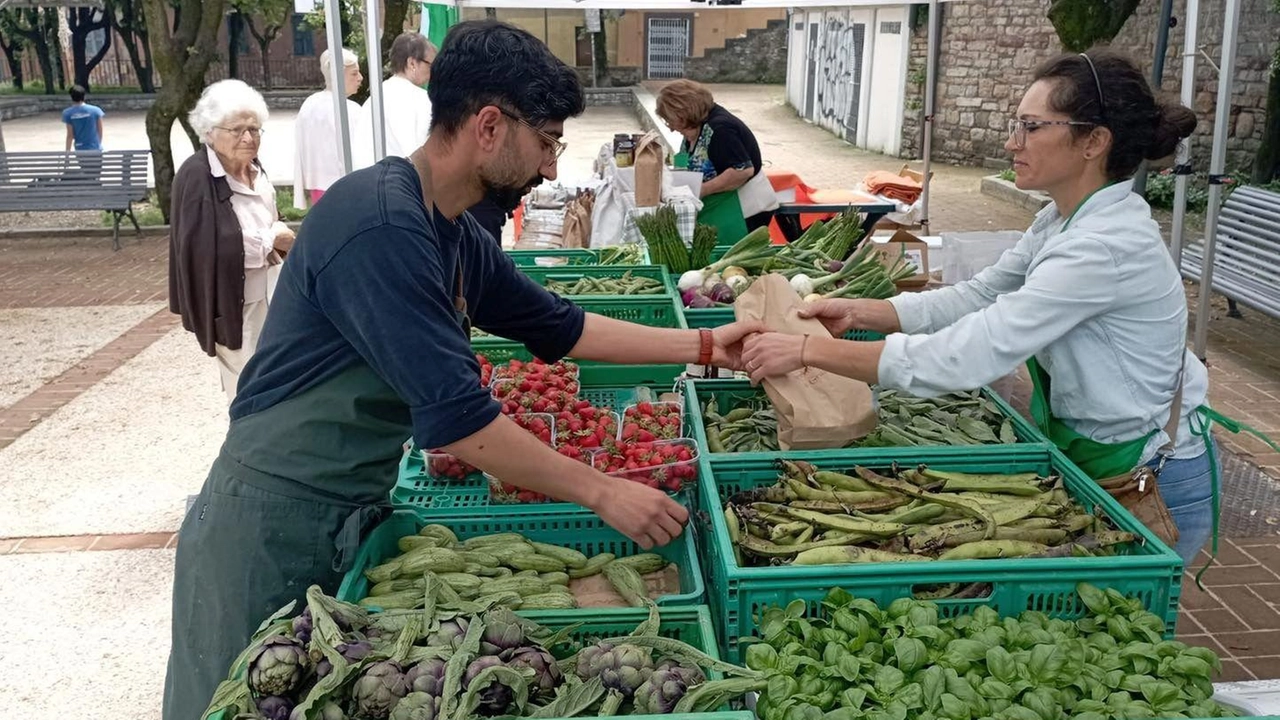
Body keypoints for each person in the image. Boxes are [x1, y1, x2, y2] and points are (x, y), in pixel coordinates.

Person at [162, 20, 760, 717]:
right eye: (546, 143)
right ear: (487, 126)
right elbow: (462, 424)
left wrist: (707, 347)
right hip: (269, 525)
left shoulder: (450, 227)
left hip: (347, 506)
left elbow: (558, 326)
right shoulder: (384, 227)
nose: (548, 168)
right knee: (236, 702)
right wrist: (603, 492)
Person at [741, 49, 1213, 565]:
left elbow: (968, 355)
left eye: (1031, 127)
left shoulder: (1101, 246)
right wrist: (862, 312)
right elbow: (982, 294)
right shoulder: (1061, 221)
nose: (1013, 142)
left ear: (1094, 142)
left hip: (1150, 477)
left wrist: (808, 351)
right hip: (1100, 454)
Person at [168, 80, 295, 405]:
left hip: (272, 294)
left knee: (278, 380)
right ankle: (250, 451)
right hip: (232, 303)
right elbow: (204, 248)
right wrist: (272, 239)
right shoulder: (196, 177)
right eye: (237, 129)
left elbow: (266, 216)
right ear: (210, 132)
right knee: (249, 390)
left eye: (254, 129)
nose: (249, 138)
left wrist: (276, 232)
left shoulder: (254, 168)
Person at [656, 79, 777, 245]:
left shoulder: (720, 128)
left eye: (670, 120)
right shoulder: (695, 126)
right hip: (722, 205)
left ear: (682, 112)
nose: (670, 127)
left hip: (744, 208)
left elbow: (742, 171)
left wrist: (701, 190)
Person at [293, 47, 363, 209]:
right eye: (354, 73)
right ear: (338, 74)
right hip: (347, 188)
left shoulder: (309, 104)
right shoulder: (350, 110)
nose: (360, 78)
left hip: (316, 185)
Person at [354, 31, 436, 167]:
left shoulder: (376, 97)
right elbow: (425, 150)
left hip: (371, 177)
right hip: (404, 180)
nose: (433, 71)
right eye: (430, 65)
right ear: (412, 63)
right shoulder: (420, 99)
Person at [63, 85, 105, 182]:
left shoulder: (68, 113)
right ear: (84, 96)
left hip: (80, 148)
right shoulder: (96, 111)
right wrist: (98, 144)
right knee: (96, 175)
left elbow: (70, 135)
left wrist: (67, 153)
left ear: (71, 97)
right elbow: (100, 130)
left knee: (87, 174)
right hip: (95, 147)